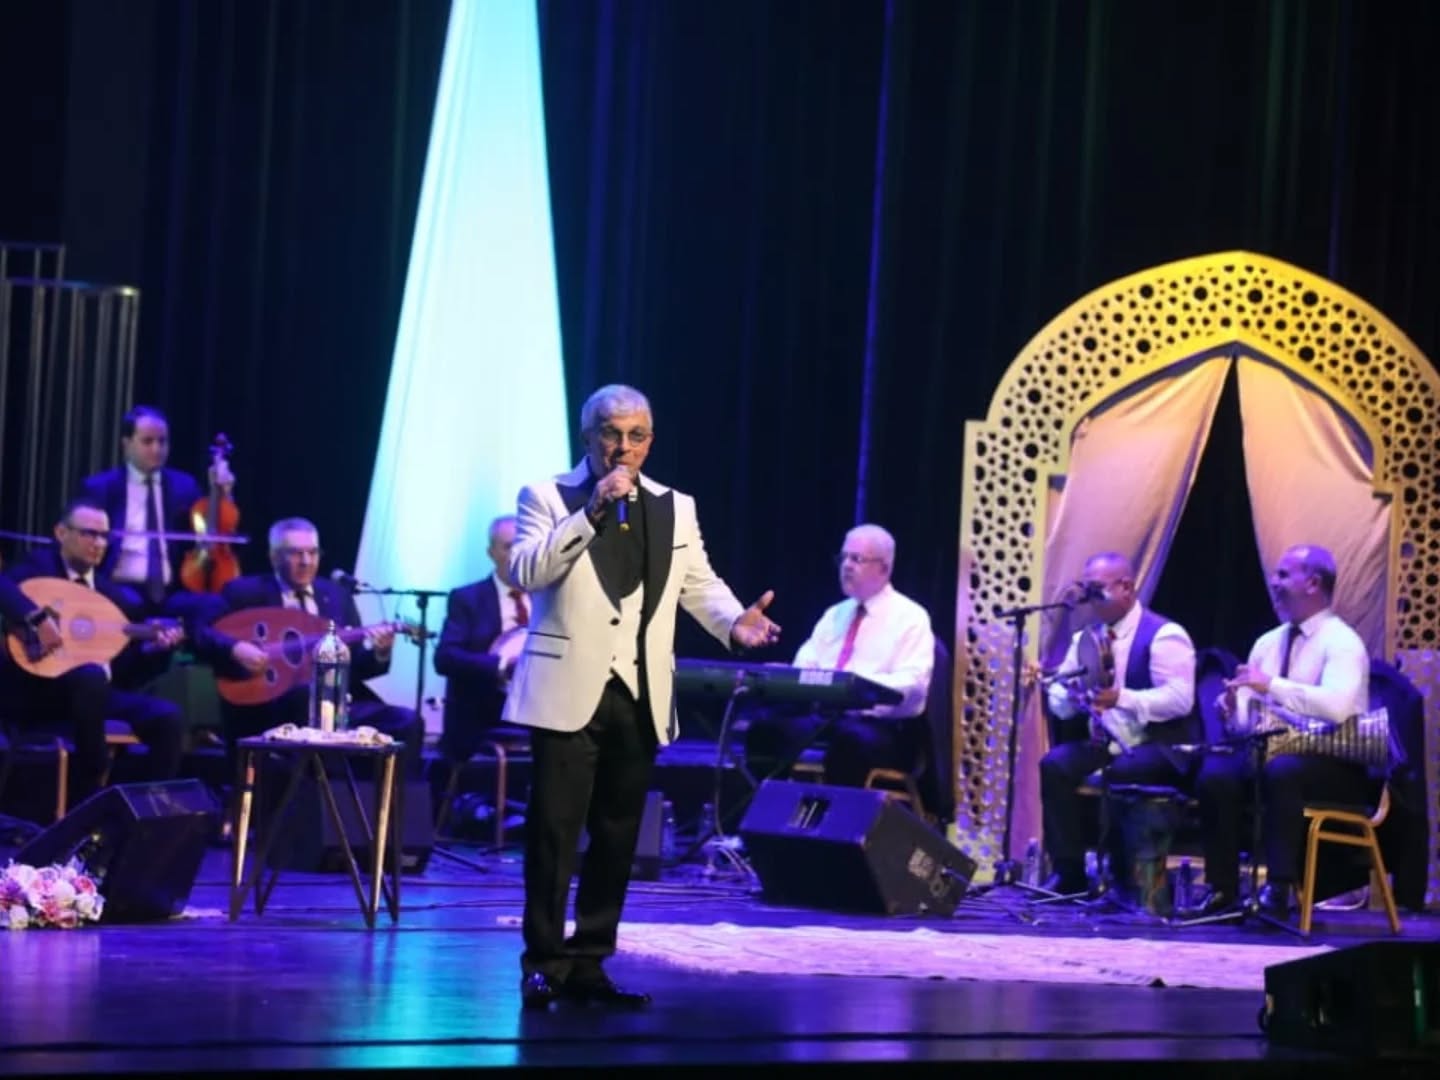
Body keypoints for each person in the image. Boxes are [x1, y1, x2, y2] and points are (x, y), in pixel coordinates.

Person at [507, 384, 780, 1010]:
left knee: (617, 835)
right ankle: (542, 963)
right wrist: (591, 512)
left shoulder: (675, 506)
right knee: (553, 833)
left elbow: (698, 583)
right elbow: (527, 570)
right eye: (611, 433)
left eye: (635, 436)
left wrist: (735, 623)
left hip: (639, 689)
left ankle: (589, 963)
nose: (622, 447)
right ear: (588, 437)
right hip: (565, 688)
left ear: (650, 442)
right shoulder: (546, 496)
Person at [1188, 544, 1373, 918]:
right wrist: (1232, 709)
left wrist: (1271, 684)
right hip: (1277, 750)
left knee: (1283, 769)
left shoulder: (1342, 642)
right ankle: (1222, 889)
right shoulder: (1268, 642)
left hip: (1333, 759)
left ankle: (1279, 887)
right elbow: (1250, 722)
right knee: (1216, 774)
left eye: (1284, 575)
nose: (1274, 582)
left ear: (1313, 583)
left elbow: (1338, 708)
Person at [199, 517, 424, 775]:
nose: (306, 561)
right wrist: (235, 648)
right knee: (306, 696)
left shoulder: (337, 596)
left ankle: (388, 801)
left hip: (336, 705)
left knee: (407, 722)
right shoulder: (244, 593)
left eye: (313, 552)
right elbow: (201, 631)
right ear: (274, 557)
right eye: (296, 553)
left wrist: (380, 652)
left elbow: (354, 665)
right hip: (271, 705)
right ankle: (320, 794)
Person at [0, 498, 188, 804]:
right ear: (61, 533)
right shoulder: (37, 568)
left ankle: (136, 809)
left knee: (167, 717)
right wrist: (37, 618)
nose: (98, 543)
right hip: (38, 692)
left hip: (95, 697)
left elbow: (125, 674)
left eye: (104, 536)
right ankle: (88, 791)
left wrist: (153, 651)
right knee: (89, 677)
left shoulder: (113, 596)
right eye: (89, 533)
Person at [1038, 551, 1196, 895]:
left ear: (1126, 587)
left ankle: (1123, 876)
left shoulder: (1164, 634)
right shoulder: (1085, 639)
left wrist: (1122, 698)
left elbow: (1180, 699)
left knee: (1124, 770)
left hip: (1157, 744)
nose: (1090, 598)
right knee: (1054, 765)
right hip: (1105, 741)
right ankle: (1068, 872)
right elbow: (1060, 701)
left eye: (1098, 589)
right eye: (1087, 589)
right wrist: (1071, 696)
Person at [743, 524, 935, 787]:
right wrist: (787, 675)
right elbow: (807, 665)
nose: (846, 566)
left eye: (856, 559)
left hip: (883, 728)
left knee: (850, 743)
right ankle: (769, 809)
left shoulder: (911, 617)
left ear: (884, 567)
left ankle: (830, 815)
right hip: (826, 719)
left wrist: (856, 689)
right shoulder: (835, 615)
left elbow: (914, 687)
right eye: (843, 558)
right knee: (766, 732)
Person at [81, 405, 232, 679]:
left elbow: (210, 535)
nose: (157, 449)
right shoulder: (101, 487)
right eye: (147, 441)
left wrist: (221, 495)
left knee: (214, 605)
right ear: (126, 444)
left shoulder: (184, 486)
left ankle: (207, 680)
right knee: (131, 604)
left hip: (170, 590)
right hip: (119, 586)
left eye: (162, 442)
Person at [433, 515, 529, 764]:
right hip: (484, 711)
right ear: (491, 553)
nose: (516, 554)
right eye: (509, 547)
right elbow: (445, 658)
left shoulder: (546, 597)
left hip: (538, 708)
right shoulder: (467, 599)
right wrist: (502, 665)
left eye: (522, 545)